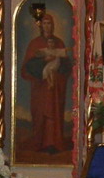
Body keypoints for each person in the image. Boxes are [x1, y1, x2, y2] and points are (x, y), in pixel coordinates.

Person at [21, 10, 71, 155]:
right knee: (41, 113)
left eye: (49, 23)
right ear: (41, 25)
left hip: (56, 88)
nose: (47, 26)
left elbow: (66, 66)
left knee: (54, 114)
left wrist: (58, 66)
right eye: (45, 23)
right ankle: (40, 142)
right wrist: (43, 62)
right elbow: (27, 67)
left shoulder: (59, 43)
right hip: (40, 87)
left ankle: (54, 143)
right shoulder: (35, 44)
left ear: (53, 25)